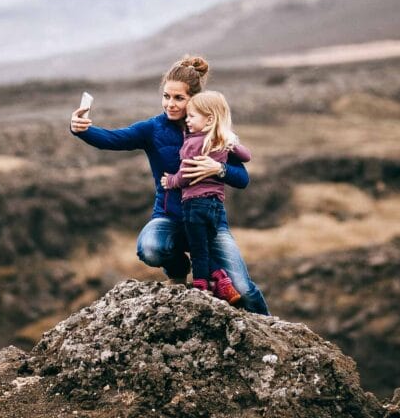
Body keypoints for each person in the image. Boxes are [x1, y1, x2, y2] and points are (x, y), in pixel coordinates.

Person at [70, 55, 269, 315]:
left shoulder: (213, 131)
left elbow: (242, 179)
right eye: (166, 96)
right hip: (169, 217)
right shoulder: (153, 129)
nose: (170, 104)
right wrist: (81, 129)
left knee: (243, 289)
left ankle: (274, 332)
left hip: (209, 222)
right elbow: (113, 139)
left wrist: (218, 169)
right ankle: (178, 271)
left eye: (178, 98)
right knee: (150, 248)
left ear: (194, 99)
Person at [161, 90, 250, 305]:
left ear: (209, 119)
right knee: (207, 246)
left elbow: (186, 175)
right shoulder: (221, 140)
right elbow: (246, 156)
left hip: (194, 205)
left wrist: (170, 181)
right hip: (215, 206)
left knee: (198, 250)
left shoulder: (193, 144)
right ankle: (220, 278)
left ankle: (203, 287)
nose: (187, 121)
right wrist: (229, 141)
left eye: (191, 116)